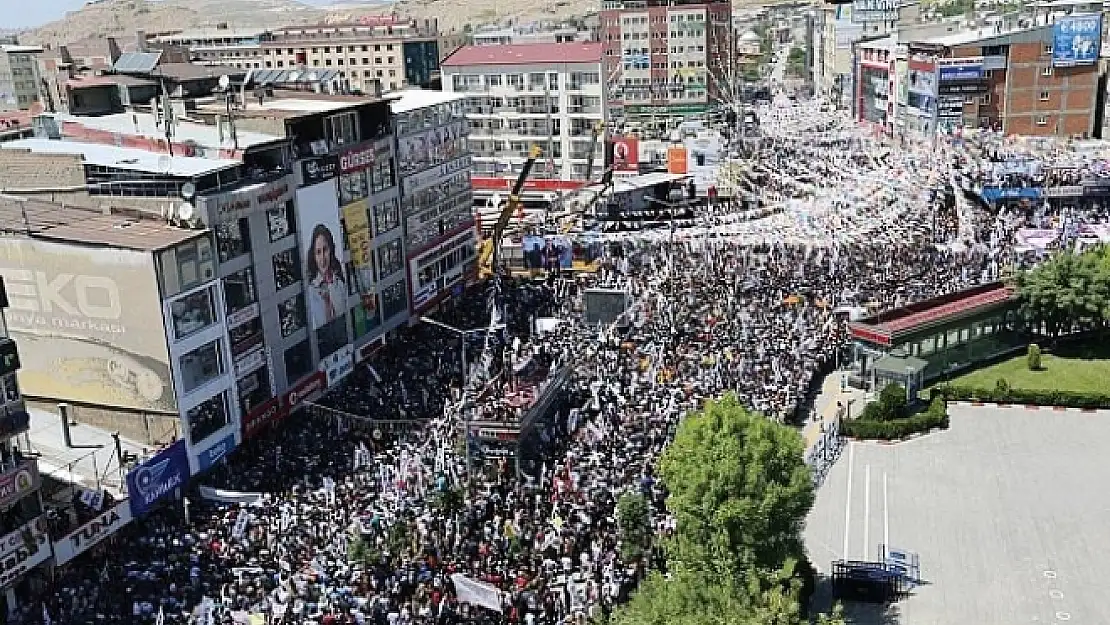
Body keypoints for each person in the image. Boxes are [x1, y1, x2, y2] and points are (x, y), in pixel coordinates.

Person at [305, 224, 348, 327]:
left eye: (325, 250)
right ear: (313, 256)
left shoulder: (340, 284)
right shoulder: (310, 291)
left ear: (331, 250)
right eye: (318, 252)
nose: (322, 258)